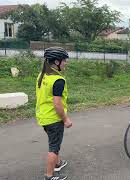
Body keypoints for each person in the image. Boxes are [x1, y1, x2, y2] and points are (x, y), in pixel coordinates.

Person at [36, 47, 72, 180]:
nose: (65, 63)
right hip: (53, 119)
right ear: (57, 62)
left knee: (53, 141)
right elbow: (57, 104)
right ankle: (49, 175)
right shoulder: (58, 80)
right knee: (54, 147)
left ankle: (57, 163)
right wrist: (66, 119)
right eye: (64, 61)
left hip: (43, 116)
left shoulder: (42, 75)